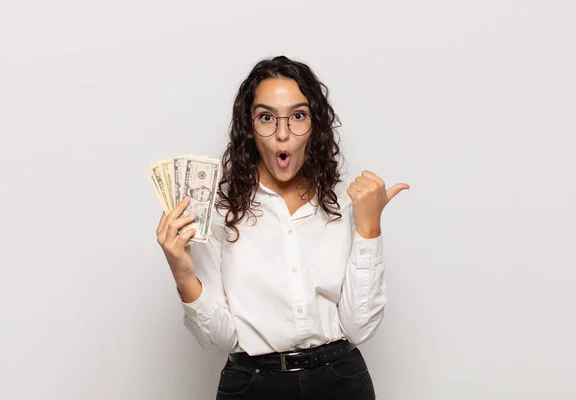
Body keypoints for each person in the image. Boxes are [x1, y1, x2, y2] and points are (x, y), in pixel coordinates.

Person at [155, 56, 409, 399]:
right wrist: (183, 271)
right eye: (266, 117)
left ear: (315, 125)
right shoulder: (215, 214)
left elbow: (360, 327)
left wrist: (369, 228)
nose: (283, 134)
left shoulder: (347, 205)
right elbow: (219, 341)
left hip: (340, 381)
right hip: (252, 385)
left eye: (298, 116)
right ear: (249, 128)